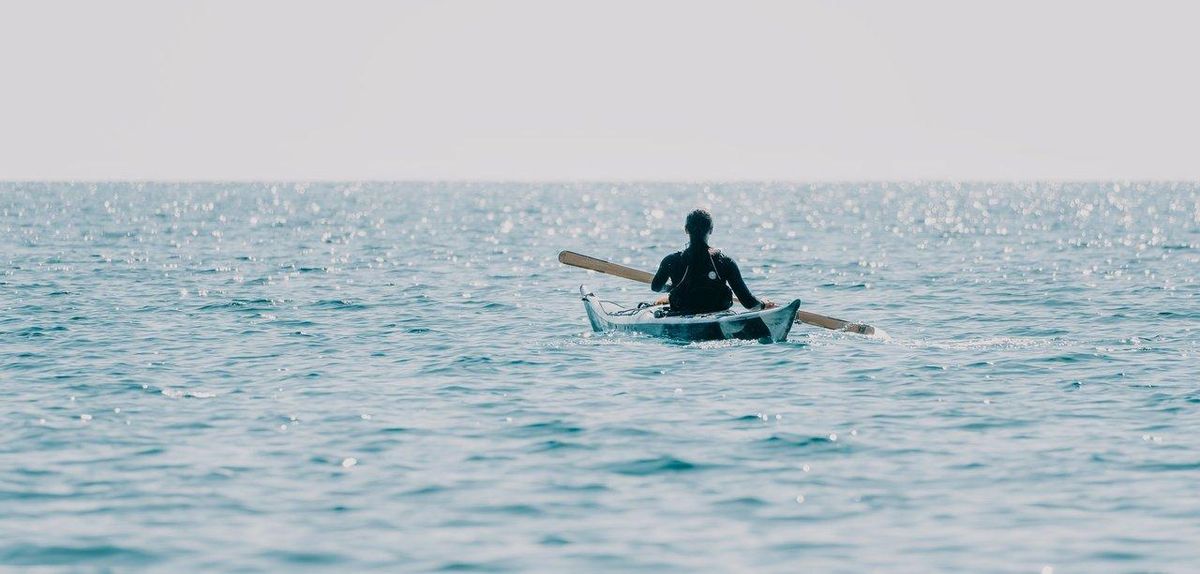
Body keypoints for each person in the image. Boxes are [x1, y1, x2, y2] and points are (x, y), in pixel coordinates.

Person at [650, 209, 775, 314]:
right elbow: (749, 303)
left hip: (682, 313)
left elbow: (656, 287)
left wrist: (670, 288)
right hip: (716, 314)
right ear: (711, 230)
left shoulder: (670, 261)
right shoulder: (726, 262)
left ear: (686, 229)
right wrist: (763, 304)